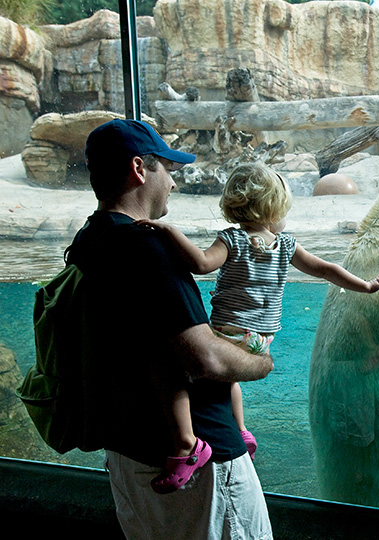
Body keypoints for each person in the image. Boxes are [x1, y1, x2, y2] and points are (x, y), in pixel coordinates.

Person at [71, 118, 274, 539]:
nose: (173, 185)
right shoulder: (147, 247)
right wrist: (260, 361)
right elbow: (206, 359)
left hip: (129, 452)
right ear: (139, 169)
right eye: (168, 170)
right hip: (201, 468)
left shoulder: (89, 240)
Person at [140, 162, 379, 463]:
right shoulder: (285, 245)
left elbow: (202, 264)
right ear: (273, 210)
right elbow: (326, 269)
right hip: (260, 339)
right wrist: (365, 285)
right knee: (228, 379)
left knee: (174, 371)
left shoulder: (232, 239)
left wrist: (171, 232)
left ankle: (186, 443)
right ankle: (242, 430)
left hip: (228, 332)